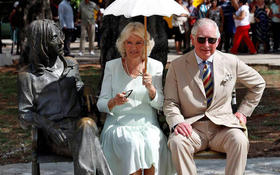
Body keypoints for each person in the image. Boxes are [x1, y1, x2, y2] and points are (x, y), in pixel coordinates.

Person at [163, 18, 265, 175]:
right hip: (192, 129)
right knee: (177, 142)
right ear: (192, 39)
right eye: (201, 39)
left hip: (223, 128)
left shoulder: (231, 61)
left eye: (211, 40)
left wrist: (244, 111)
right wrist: (177, 122)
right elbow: (170, 102)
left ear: (218, 41)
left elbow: (258, 83)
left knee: (240, 140)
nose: (206, 45)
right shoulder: (177, 66)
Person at [18, 19, 112, 175]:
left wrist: (86, 89)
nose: (62, 41)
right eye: (54, 37)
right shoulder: (27, 76)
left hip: (80, 127)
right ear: (40, 42)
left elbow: (79, 87)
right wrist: (50, 127)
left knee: (87, 125)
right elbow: (24, 115)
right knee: (89, 133)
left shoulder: (71, 65)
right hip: (55, 137)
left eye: (60, 35)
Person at [97, 22, 175, 175]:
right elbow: (101, 103)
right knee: (131, 144)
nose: (134, 47)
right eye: (129, 42)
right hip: (118, 124)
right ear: (122, 44)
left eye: (139, 42)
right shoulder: (112, 66)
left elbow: (160, 104)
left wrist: (151, 88)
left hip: (148, 124)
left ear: (146, 45)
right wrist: (113, 102)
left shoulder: (155, 66)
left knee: (153, 142)